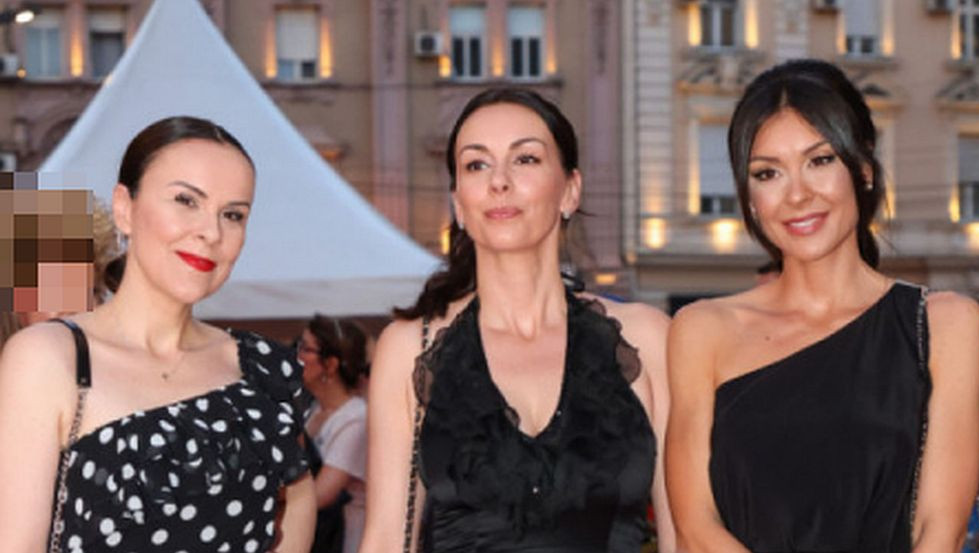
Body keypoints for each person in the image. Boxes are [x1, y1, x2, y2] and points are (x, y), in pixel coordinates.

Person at [666, 59, 979, 552]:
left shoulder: (945, 324)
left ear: (863, 168)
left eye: (819, 161)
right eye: (768, 173)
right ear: (749, 197)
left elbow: (939, 530)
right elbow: (695, 526)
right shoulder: (701, 329)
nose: (797, 194)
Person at [359, 88, 674, 553]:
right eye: (476, 165)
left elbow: (684, 536)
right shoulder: (410, 348)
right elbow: (387, 539)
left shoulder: (648, 338)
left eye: (525, 159)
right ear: (458, 204)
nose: (499, 181)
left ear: (570, 190)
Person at [0, 116, 316, 551]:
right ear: (124, 208)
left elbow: (296, 502)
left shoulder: (264, 367)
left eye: (233, 215)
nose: (211, 232)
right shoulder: (49, 358)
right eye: (186, 200)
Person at [299, 315, 369, 553]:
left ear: (330, 364)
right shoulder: (313, 410)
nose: (297, 356)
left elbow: (321, 495)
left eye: (306, 349)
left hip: (347, 541)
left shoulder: (356, 419)